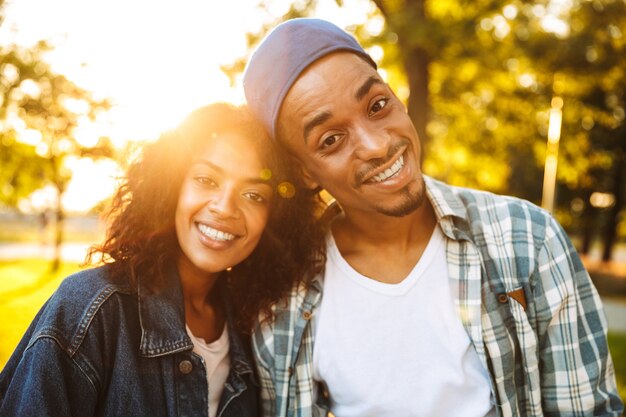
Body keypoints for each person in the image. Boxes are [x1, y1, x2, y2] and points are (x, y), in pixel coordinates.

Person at [242, 18, 624, 417]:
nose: (377, 144)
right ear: (304, 172)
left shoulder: (527, 239)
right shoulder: (283, 300)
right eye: (331, 140)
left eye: (377, 105)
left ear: (398, 97)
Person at [0, 103, 324, 416]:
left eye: (254, 195)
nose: (224, 207)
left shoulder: (251, 328)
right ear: (171, 187)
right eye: (206, 180)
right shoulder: (88, 309)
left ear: (275, 220)